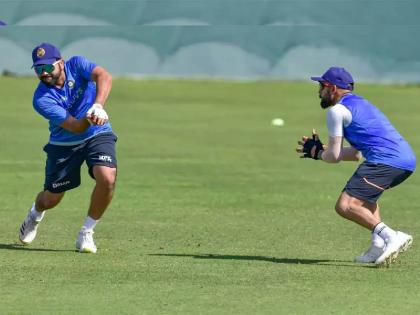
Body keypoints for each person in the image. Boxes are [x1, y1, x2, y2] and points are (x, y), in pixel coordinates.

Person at [296, 66, 416, 267]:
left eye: (321, 86)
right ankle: (378, 245)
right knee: (364, 200)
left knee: (345, 206)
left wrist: (319, 153)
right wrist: (323, 151)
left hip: (385, 161)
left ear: (331, 88)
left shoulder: (337, 111)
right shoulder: (360, 104)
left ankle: (391, 236)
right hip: (403, 162)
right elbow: (355, 154)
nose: (319, 92)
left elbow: (333, 157)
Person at [19, 42, 117, 253]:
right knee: (51, 199)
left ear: (61, 63)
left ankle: (86, 233)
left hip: (98, 133)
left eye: (47, 67)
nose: (43, 73)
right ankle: (35, 213)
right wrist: (90, 118)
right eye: (38, 69)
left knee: (107, 178)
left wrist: (98, 106)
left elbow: (104, 76)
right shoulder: (41, 98)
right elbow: (75, 126)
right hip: (65, 142)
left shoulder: (77, 64)